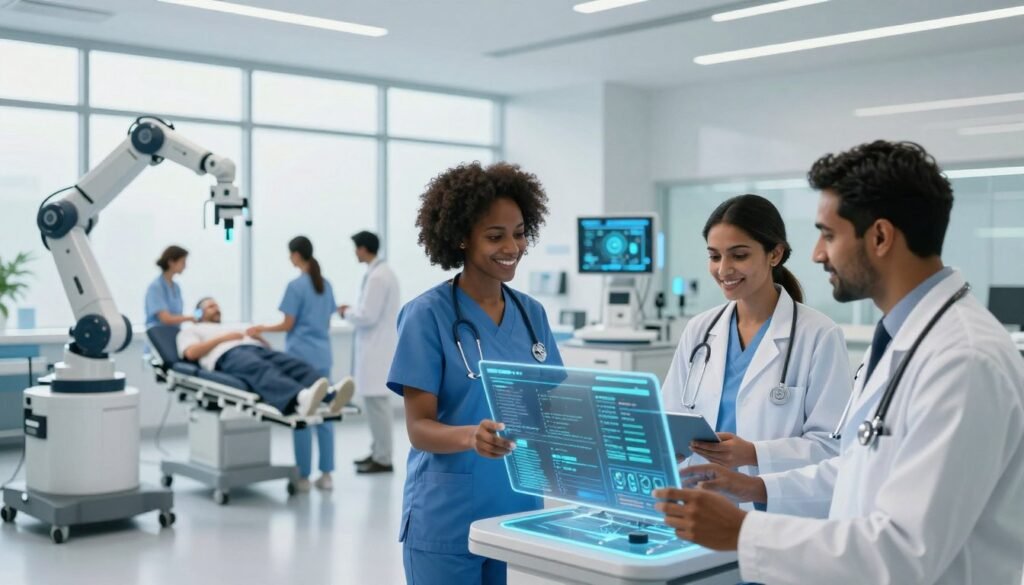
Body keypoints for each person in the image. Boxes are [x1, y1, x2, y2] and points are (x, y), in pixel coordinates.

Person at [654, 141, 1024, 584]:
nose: (815, 253)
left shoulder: (963, 360)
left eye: (828, 234)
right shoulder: (902, 341)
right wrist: (756, 487)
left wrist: (744, 530)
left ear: (881, 237)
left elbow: (905, 552)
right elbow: (855, 468)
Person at [387, 162, 563, 585]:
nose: (512, 246)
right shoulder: (426, 315)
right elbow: (419, 429)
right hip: (447, 516)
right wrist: (471, 436)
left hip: (514, 512)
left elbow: (552, 407)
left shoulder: (531, 314)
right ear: (461, 237)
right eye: (495, 236)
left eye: (519, 232)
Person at [663, 195, 851, 489]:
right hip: (699, 502)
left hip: (772, 512)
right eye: (714, 256)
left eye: (739, 256)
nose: (723, 270)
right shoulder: (700, 330)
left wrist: (753, 453)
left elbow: (832, 447)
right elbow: (669, 418)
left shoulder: (818, 334)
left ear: (774, 254)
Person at [249, 236, 352, 492]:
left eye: (290, 254)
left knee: (303, 413)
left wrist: (259, 328)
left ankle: (304, 476)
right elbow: (326, 323)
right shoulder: (324, 284)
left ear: (296, 255)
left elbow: (288, 325)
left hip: (300, 359)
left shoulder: (296, 286)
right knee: (327, 413)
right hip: (322, 356)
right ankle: (326, 475)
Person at [177, 297, 353, 417]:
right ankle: (301, 398)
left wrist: (258, 338)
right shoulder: (191, 330)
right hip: (226, 356)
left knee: (292, 364)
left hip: (254, 349)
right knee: (262, 370)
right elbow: (191, 353)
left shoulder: (229, 327)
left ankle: (331, 395)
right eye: (210, 306)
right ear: (199, 313)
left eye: (217, 305)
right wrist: (223, 339)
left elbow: (267, 348)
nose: (216, 309)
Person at [338, 231, 400, 474]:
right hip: (376, 348)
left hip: (377, 350)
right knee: (375, 406)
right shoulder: (378, 273)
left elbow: (367, 315)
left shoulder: (378, 277)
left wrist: (346, 312)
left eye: (356, 248)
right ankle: (377, 451)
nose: (355, 252)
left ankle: (383, 458)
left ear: (364, 249)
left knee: (379, 407)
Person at [145, 245, 194, 330]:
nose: (185, 266)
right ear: (171, 262)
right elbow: (165, 319)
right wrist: (190, 318)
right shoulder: (156, 287)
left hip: (173, 335)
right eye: (183, 262)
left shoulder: (176, 287)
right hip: (158, 337)